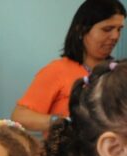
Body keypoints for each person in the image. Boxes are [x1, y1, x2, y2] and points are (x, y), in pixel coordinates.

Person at [12, 0, 125, 134]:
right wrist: (64, 122)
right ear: (81, 30)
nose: (115, 36)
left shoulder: (118, 71)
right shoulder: (57, 70)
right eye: (107, 29)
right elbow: (20, 117)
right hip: (67, 153)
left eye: (119, 29)